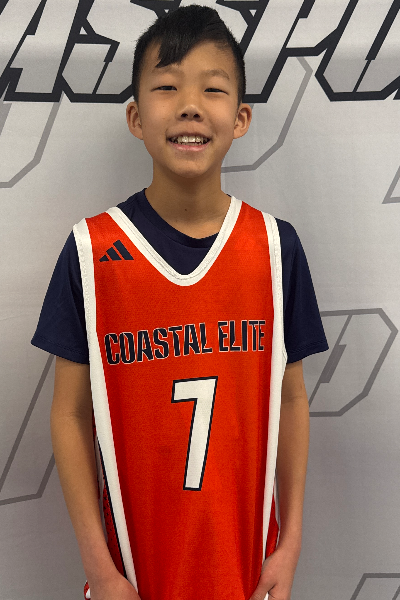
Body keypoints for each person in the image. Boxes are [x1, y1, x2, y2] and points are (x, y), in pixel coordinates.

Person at [31, 5, 328, 600]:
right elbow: (70, 414)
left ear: (240, 117)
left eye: (212, 89)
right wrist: (100, 569)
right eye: (167, 87)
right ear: (136, 117)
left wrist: (291, 541)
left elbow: (291, 399)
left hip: (247, 571)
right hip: (134, 577)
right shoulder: (92, 251)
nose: (190, 105)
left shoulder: (275, 248)